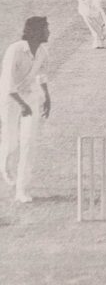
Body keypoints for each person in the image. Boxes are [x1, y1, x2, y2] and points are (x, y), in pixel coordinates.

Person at [0, 17, 51, 203]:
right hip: (10, 98)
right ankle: (4, 165)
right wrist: (22, 105)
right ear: (34, 32)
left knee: (28, 142)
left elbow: (42, 74)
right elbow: (7, 85)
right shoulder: (14, 50)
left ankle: (22, 189)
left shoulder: (43, 51)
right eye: (46, 29)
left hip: (30, 95)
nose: (49, 32)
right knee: (12, 142)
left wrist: (47, 97)